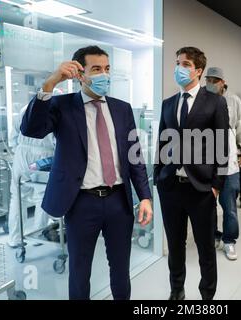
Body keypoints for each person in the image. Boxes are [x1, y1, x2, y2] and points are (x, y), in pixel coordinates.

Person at [21, 45, 153, 300]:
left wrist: (145, 197)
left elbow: (134, 157)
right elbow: (31, 129)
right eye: (96, 69)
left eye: (107, 69)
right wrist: (50, 83)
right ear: (81, 74)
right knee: (80, 273)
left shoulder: (122, 108)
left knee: (120, 272)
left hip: (119, 201)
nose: (104, 75)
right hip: (81, 202)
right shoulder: (62, 106)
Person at [154, 47, 229, 300]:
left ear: (198, 70)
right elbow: (162, 143)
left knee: (206, 248)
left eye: (185, 64)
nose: (179, 68)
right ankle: (177, 291)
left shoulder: (215, 101)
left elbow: (222, 144)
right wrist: (158, 175)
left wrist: (217, 184)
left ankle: (207, 295)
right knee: (175, 246)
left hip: (201, 188)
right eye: (177, 63)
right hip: (170, 187)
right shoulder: (168, 104)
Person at [205, 67, 241, 261]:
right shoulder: (202, 101)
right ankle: (213, 236)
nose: (211, 83)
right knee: (207, 206)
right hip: (206, 165)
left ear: (223, 82)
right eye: (208, 79)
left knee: (230, 207)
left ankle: (229, 240)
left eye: (215, 80)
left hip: (229, 165)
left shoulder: (233, 101)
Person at [7, 105, 55, 248]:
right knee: (42, 196)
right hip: (45, 156)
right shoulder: (56, 110)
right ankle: (38, 235)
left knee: (17, 197)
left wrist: (19, 151)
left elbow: (13, 136)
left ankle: (14, 239)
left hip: (22, 154)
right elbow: (59, 141)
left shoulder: (25, 109)